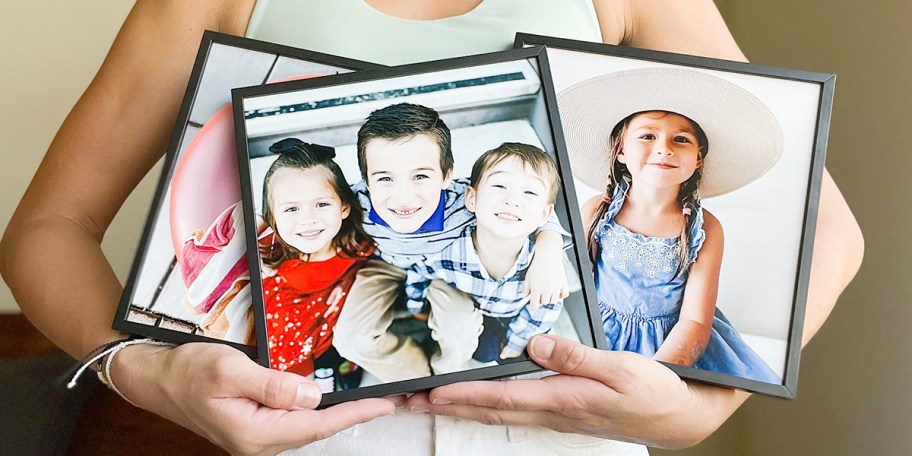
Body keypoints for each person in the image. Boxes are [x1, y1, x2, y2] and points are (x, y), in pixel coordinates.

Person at [0, 1, 863, 455]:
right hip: (312, 437)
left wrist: (700, 411)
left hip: (562, 446)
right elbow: (49, 227)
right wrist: (147, 374)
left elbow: (828, 232)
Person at [333, 103, 569, 382]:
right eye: (385, 178)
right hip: (386, 264)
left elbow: (527, 207)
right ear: (366, 182)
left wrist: (549, 249)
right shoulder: (357, 202)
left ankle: (447, 376)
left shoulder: (467, 200)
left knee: (460, 328)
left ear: (447, 176)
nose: (403, 197)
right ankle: (418, 376)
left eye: (420, 176)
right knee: (349, 338)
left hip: (445, 270)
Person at [576, 91, 780, 382]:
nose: (664, 149)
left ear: (698, 158)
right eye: (647, 136)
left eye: (681, 139)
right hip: (597, 332)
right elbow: (575, 287)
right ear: (621, 150)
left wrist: (653, 377)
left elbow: (695, 321)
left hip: (672, 344)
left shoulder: (706, 228)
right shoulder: (598, 209)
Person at [404, 143, 565, 363]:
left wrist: (516, 343)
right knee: (483, 354)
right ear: (471, 198)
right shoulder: (449, 253)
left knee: (519, 356)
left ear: (545, 214)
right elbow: (420, 269)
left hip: (514, 314)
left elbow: (546, 306)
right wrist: (416, 305)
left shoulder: (542, 266)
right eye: (500, 186)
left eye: (529, 192)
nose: (512, 200)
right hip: (475, 307)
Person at [257, 139, 370, 390]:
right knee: (283, 341)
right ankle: (320, 364)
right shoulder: (267, 245)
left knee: (346, 323)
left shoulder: (356, 241)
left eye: (321, 204)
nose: (308, 219)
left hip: (337, 293)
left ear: (343, 207)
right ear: (272, 215)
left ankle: (334, 359)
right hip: (291, 301)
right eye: (291, 209)